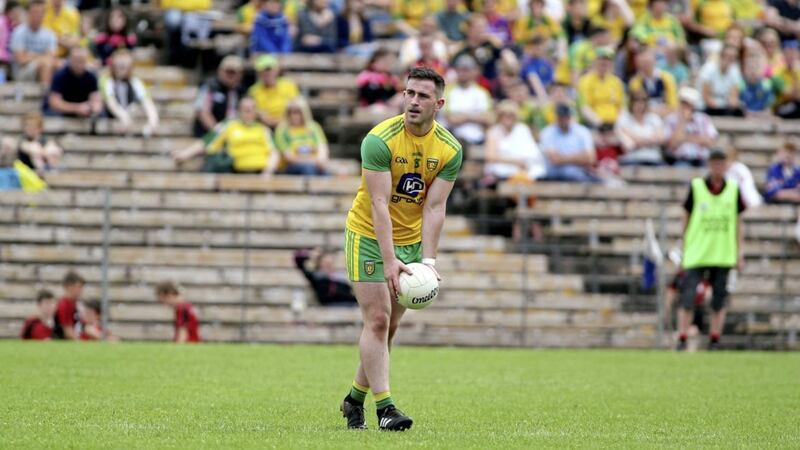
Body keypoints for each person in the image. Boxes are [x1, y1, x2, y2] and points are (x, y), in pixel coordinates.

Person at [340, 67, 462, 431]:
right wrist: (390, 260)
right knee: (376, 319)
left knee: (389, 327)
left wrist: (428, 261)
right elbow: (378, 204)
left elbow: (435, 207)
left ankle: (353, 399)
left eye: (423, 96)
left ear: (438, 104)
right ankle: (386, 410)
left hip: (409, 241)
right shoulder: (379, 140)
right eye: (409, 93)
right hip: (367, 235)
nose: (413, 101)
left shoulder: (449, 149)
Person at [677, 149, 745, 351]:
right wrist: (684, 245)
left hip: (723, 254)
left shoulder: (733, 189)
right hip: (697, 252)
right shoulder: (697, 187)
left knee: (718, 300)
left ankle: (715, 339)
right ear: (709, 165)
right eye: (715, 163)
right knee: (688, 298)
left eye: (722, 164)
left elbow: (739, 222)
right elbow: (686, 217)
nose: (718, 168)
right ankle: (682, 337)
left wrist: (739, 251)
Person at [206, 97, 279, 174]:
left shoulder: (263, 130)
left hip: (260, 172)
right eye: (246, 109)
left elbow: (274, 153)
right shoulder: (230, 126)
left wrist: (267, 173)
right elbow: (210, 146)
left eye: (252, 109)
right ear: (239, 111)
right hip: (235, 172)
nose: (249, 112)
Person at [484, 100, 546, 184]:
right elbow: (490, 156)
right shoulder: (493, 132)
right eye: (505, 115)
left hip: (523, 166)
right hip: (502, 167)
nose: (508, 118)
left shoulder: (522, 129)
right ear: (499, 116)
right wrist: (515, 161)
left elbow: (532, 150)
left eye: (511, 115)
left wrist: (524, 161)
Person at [100, 50, 159, 136]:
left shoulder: (135, 82)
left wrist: (153, 122)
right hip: (110, 119)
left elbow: (147, 103)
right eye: (119, 64)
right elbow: (111, 103)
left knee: (135, 108)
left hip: (129, 117)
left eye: (125, 65)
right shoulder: (106, 80)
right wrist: (123, 117)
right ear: (113, 65)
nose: (122, 65)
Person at [539, 103, 598, 182]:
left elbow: (590, 158)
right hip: (554, 177)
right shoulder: (547, 132)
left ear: (570, 116)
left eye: (566, 116)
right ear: (557, 117)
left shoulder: (582, 131)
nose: (564, 119)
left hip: (578, 177)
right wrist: (579, 156)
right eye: (561, 117)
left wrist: (562, 157)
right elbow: (554, 159)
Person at [442, 54, 493, 145]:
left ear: (474, 71)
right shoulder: (447, 91)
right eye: (460, 69)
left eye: (467, 70)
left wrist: (464, 116)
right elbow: (451, 119)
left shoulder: (482, 93)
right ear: (456, 71)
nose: (463, 73)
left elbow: (489, 119)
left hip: (477, 138)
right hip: (453, 140)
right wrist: (476, 116)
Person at [193, 55, 245, 137]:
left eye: (233, 72)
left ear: (240, 74)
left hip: (232, 134)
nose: (230, 75)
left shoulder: (240, 90)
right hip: (208, 134)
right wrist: (218, 131)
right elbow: (203, 113)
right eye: (228, 71)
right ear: (220, 71)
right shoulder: (210, 86)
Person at [274, 97, 329, 175]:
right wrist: (313, 161)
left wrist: (320, 160)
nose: (293, 115)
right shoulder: (282, 129)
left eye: (297, 111)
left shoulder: (313, 127)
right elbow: (289, 157)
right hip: (291, 167)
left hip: (315, 164)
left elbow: (322, 148)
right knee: (308, 168)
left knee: (326, 172)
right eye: (290, 112)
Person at [665, 87, 718, 166]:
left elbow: (711, 141)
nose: (686, 107)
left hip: (702, 160)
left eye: (689, 104)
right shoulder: (670, 119)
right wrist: (682, 122)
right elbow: (672, 144)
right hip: (680, 160)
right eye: (684, 103)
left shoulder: (704, 119)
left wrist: (685, 138)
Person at [10, 0, 57, 88]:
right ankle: (46, 96)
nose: (38, 15)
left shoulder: (50, 34)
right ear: (28, 13)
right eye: (35, 12)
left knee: (59, 64)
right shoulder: (19, 32)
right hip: (22, 72)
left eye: (40, 13)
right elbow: (21, 59)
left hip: (43, 66)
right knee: (45, 64)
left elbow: (51, 57)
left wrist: (31, 55)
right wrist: (41, 57)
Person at [44, 47, 102, 118]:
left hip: (82, 110)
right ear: (70, 60)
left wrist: (93, 108)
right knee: (52, 115)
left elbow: (96, 99)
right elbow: (54, 103)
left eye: (82, 61)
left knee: (101, 116)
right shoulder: (60, 75)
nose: (79, 64)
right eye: (76, 60)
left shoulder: (91, 76)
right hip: (63, 111)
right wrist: (77, 108)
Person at [577, 47, 626, 128]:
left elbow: (622, 107)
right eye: (601, 60)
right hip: (595, 124)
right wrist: (600, 124)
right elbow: (584, 108)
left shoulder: (617, 82)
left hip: (616, 124)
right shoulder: (585, 81)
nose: (604, 63)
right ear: (594, 62)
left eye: (607, 61)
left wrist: (619, 123)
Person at [248, 54, 300, 128]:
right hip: (265, 127)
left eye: (269, 69)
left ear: (276, 70)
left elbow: (297, 108)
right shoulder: (253, 91)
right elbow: (259, 116)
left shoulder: (288, 85)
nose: (266, 73)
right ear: (258, 73)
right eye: (262, 70)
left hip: (289, 125)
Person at [615, 90, 665, 165]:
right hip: (631, 159)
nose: (640, 105)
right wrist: (650, 140)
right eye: (636, 101)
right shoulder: (623, 119)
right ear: (631, 103)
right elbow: (629, 146)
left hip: (653, 159)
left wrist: (636, 138)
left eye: (643, 101)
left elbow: (661, 139)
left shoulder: (654, 118)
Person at [627, 48, 678, 116]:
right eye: (642, 62)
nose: (645, 65)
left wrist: (661, 112)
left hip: (666, 115)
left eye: (648, 62)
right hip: (645, 117)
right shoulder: (635, 82)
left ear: (654, 61)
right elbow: (636, 106)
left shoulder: (667, 78)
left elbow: (673, 105)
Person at [696, 45, 743, 116]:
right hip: (705, 107)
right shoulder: (708, 69)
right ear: (721, 56)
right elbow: (706, 97)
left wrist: (732, 102)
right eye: (726, 56)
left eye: (732, 58)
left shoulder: (735, 71)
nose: (729, 60)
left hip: (723, 107)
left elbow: (734, 95)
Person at [356, 48, 402, 113]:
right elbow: (369, 96)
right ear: (373, 62)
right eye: (384, 61)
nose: (387, 64)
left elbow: (393, 93)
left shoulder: (391, 77)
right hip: (370, 107)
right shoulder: (366, 76)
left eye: (389, 61)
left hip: (388, 106)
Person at [53, 270, 85, 340]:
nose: (81, 290)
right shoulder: (65, 304)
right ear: (68, 286)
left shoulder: (73, 303)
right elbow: (68, 332)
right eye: (78, 287)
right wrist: (81, 344)